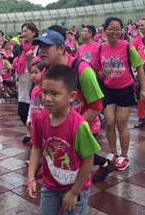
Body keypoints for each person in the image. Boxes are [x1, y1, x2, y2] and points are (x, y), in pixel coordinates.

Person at [33, 26, 114, 182]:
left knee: (77, 160)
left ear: (61, 49)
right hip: (60, 122)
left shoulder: (82, 70)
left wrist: (73, 127)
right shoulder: (46, 72)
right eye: (40, 47)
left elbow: (96, 106)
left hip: (84, 123)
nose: (41, 51)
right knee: (66, 154)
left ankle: (79, 191)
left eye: (47, 47)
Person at [27, 65, 101, 215]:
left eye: (55, 94)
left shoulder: (79, 126)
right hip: (50, 186)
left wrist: (74, 193)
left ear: (72, 96)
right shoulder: (41, 119)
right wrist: (30, 178)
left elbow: (88, 162)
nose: (47, 98)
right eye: (44, 92)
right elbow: (36, 148)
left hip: (75, 187)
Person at [92, 17, 145, 170]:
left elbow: (139, 68)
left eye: (118, 29)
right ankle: (113, 152)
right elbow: (94, 70)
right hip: (107, 90)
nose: (114, 32)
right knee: (109, 122)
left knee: (121, 122)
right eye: (111, 29)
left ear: (122, 31)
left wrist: (143, 89)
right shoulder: (100, 48)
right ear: (105, 30)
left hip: (125, 88)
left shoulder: (128, 47)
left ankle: (124, 156)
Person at [16, 22, 39, 143]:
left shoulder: (38, 47)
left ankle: (36, 135)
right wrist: (16, 78)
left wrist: (30, 59)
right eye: (23, 31)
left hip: (35, 82)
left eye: (26, 31)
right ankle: (30, 132)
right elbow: (18, 63)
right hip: (23, 81)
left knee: (34, 109)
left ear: (34, 32)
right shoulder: (22, 47)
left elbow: (35, 67)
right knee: (22, 110)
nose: (24, 33)